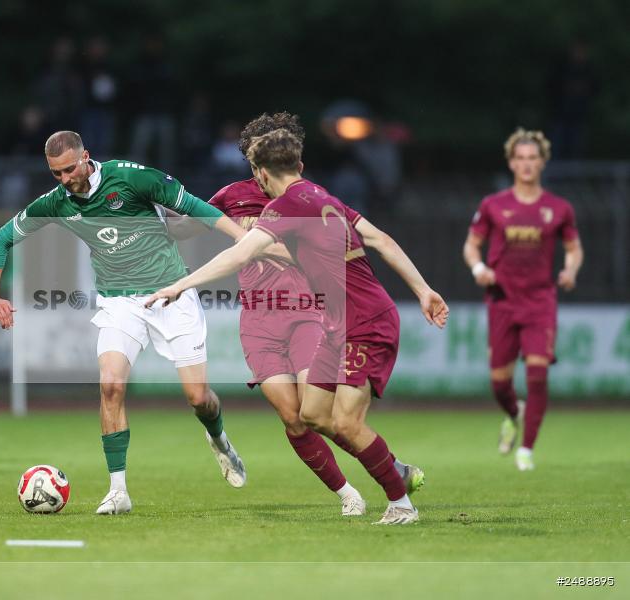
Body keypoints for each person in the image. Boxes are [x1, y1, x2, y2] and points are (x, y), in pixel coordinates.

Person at [147, 129, 448, 525]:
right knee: (313, 414)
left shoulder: (285, 206)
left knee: (345, 422)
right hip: (339, 324)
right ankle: (388, 476)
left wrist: (181, 284)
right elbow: (382, 239)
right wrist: (424, 290)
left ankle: (401, 502)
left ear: (260, 172)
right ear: (299, 165)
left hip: (362, 321)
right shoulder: (325, 199)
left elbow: (241, 252)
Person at [0, 131, 255, 515]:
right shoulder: (57, 203)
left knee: (199, 399)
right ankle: (118, 491)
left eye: (68, 169)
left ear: (86, 157)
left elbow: (198, 208)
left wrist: (246, 241)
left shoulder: (131, 178)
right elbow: (1, 238)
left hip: (172, 293)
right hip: (119, 302)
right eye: (55, 174)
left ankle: (220, 439)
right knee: (110, 385)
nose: (64, 180)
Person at [463, 128, 583, 471]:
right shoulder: (493, 205)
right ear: (512, 163)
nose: (527, 164)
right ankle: (514, 413)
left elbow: (574, 249)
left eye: (533, 158)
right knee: (500, 383)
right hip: (502, 299)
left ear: (542, 162)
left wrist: (570, 271)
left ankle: (526, 450)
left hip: (540, 301)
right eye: (521, 158)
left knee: (537, 375)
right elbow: (471, 245)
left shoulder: (558, 208)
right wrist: (478, 268)